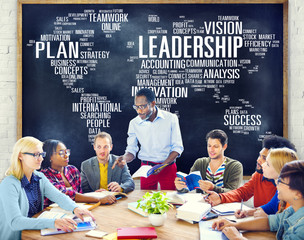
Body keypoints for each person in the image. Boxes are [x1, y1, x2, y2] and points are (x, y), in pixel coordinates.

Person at [0, 137, 94, 240]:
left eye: (41, 154)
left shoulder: (39, 177)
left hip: (35, 234)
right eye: (35, 154)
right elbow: (15, 222)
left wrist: (75, 208)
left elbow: (58, 196)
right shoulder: (8, 184)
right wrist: (53, 222)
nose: (41, 158)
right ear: (20, 156)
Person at [212, 160, 304, 240]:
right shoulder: (292, 210)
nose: (277, 183)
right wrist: (235, 225)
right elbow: (269, 222)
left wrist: (237, 238)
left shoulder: (301, 228)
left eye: (281, 181)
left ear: (298, 194)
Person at [112, 88, 184, 190]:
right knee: (145, 201)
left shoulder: (171, 118)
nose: (139, 111)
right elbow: (131, 151)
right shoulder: (134, 123)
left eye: (142, 107)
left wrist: (163, 165)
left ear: (153, 104)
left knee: (171, 201)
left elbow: (177, 147)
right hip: (146, 169)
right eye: (136, 107)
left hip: (168, 167)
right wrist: (124, 159)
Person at [206, 135, 296, 208]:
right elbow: (242, 193)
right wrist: (221, 197)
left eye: (265, 159)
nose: (258, 160)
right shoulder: (258, 176)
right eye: (259, 155)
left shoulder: (288, 188)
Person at [41, 139, 116, 208]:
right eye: (61, 153)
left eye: (66, 152)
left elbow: (80, 195)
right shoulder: (43, 176)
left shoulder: (72, 170)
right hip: (53, 214)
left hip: (75, 211)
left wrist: (94, 194)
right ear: (49, 156)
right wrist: (99, 199)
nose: (66, 156)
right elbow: (65, 195)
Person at [235, 147, 298, 218]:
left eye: (267, 164)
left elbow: (286, 225)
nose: (262, 165)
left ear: (280, 169)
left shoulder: (294, 197)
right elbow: (269, 208)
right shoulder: (280, 190)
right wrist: (247, 212)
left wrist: (267, 218)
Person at [175, 129, 243, 193]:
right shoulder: (200, 163)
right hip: (203, 203)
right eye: (209, 146)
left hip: (225, 204)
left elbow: (233, 193)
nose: (211, 150)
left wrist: (213, 188)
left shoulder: (235, 166)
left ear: (224, 147)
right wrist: (180, 187)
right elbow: (188, 187)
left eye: (215, 146)